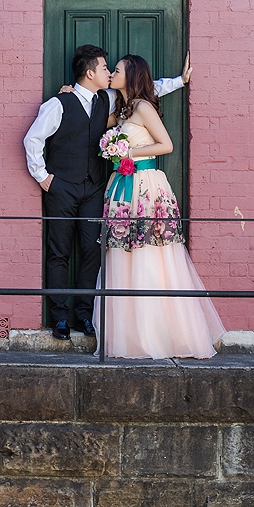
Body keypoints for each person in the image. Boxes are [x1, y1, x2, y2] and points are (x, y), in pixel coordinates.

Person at [23, 44, 190, 341]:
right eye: (104, 68)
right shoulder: (59, 103)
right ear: (90, 73)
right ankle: (59, 318)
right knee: (59, 251)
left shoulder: (108, 99)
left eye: (113, 70)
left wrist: (180, 81)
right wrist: (43, 177)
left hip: (93, 189)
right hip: (61, 188)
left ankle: (84, 315)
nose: (109, 73)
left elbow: (145, 89)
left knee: (92, 249)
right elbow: (32, 139)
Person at [93, 55, 225, 358]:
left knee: (150, 252)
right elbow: (90, 116)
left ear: (131, 75)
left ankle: (160, 334)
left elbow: (166, 145)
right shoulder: (121, 108)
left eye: (117, 70)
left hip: (146, 186)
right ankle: (130, 335)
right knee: (122, 253)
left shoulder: (142, 107)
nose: (112, 73)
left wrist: (129, 151)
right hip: (122, 184)